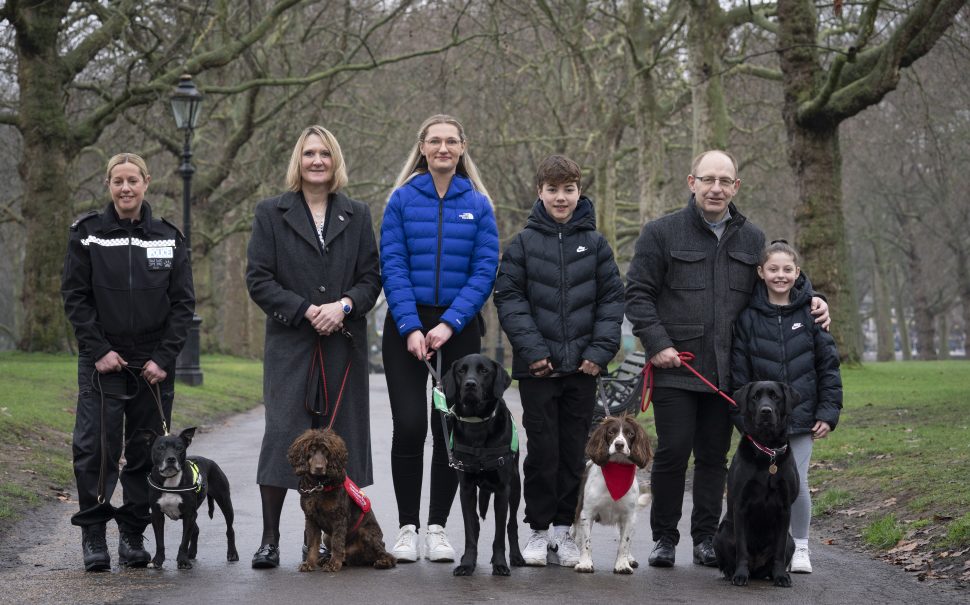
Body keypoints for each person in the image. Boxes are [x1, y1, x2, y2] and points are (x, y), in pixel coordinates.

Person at [624, 149, 830, 568]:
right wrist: (658, 343)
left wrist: (813, 298)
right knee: (673, 453)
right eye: (708, 179)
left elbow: (779, 275)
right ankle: (664, 538)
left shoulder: (752, 238)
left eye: (724, 181)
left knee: (715, 459)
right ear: (692, 182)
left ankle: (705, 539)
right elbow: (638, 294)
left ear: (736, 187)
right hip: (676, 367)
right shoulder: (660, 233)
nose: (716, 188)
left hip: (729, 375)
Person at [246, 125, 381, 569]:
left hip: (342, 343)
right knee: (284, 435)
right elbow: (259, 279)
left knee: (340, 443)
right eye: (309, 154)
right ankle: (269, 539)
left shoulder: (357, 214)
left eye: (325, 153)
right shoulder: (271, 213)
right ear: (298, 162)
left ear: (335, 160)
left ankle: (336, 541)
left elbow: (371, 278)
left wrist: (343, 306)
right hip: (291, 344)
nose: (317, 161)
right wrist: (306, 309)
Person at [61, 152, 195, 571]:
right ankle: (95, 535)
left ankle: (134, 534)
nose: (125, 188)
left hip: (152, 364)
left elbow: (183, 305)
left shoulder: (168, 237)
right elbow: (76, 297)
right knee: (96, 449)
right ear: (108, 185)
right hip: (103, 360)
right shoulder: (88, 235)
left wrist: (163, 357)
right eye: (117, 181)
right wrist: (98, 349)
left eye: (132, 180)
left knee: (146, 452)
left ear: (146, 182)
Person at [493, 154, 625, 567]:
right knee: (542, 451)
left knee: (573, 451)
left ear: (578, 191)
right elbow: (509, 299)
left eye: (568, 189)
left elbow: (611, 301)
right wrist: (534, 354)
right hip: (538, 372)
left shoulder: (597, 244)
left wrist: (597, 354)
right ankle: (537, 529)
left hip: (583, 371)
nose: (561, 197)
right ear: (540, 192)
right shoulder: (522, 244)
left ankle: (568, 532)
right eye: (553, 190)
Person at [380, 114, 499, 563]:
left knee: (450, 429)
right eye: (435, 141)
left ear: (463, 147)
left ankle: (437, 527)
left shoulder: (479, 203)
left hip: (460, 327)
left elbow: (484, 268)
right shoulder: (402, 199)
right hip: (406, 329)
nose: (444, 148)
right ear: (423, 147)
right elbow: (392, 263)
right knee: (410, 425)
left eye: (452, 141)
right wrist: (411, 327)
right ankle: (407, 527)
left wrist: (449, 323)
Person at [730, 240, 842, 574]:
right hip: (759, 425)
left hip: (802, 417)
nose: (781, 275)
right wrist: (742, 418)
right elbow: (739, 372)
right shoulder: (747, 317)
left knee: (797, 483)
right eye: (774, 269)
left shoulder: (812, 312)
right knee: (754, 488)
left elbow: (828, 367)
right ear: (761, 272)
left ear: (797, 272)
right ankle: (749, 550)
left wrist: (828, 411)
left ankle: (801, 547)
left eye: (788, 269)